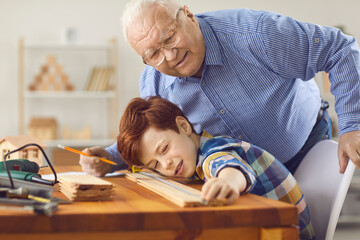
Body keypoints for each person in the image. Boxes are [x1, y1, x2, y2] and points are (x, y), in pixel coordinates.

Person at [80, 0, 360, 178]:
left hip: (306, 146)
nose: (168, 56)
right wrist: (109, 158)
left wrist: (352, 126)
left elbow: (340, 50)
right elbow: (153, 136)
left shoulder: (256, 34)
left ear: (188, 15)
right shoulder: (154, 81)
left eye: (169, 37)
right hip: (239, 172)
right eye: (152, 54)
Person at [117, 96, 315, 239]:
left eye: (165, 149)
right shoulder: (193, 158)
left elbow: (227, 166)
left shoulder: (214, 150)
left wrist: (227, 182)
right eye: (155, 164)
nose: (166, 163)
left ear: (183, 127)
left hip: (287, 233)